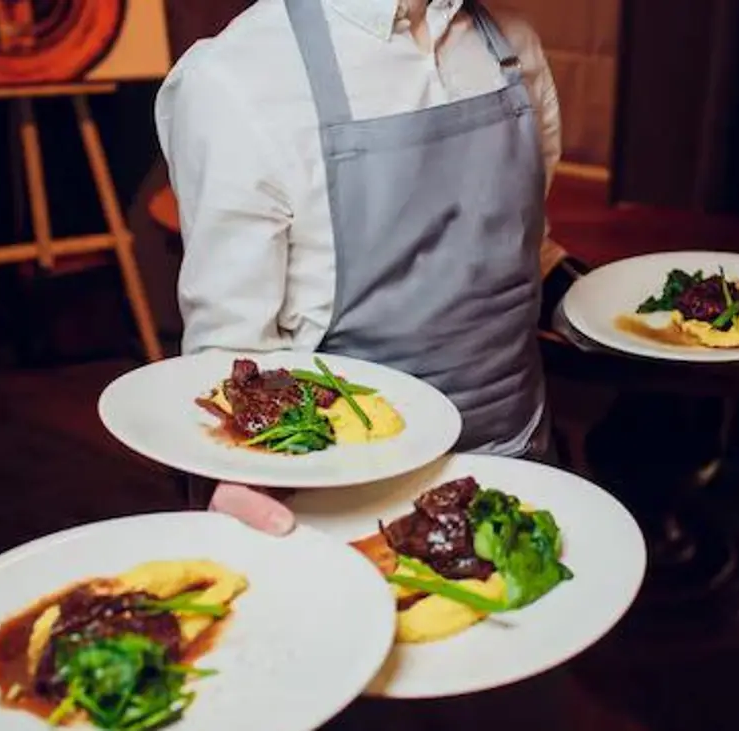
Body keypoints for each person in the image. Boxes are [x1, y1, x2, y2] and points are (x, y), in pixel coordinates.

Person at [157, 0, 582, 536]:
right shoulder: (237, 80)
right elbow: (231, 350)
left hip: (519, 471)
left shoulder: (516, 46)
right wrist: (237, 481)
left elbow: (523, 244)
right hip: (347, 502)